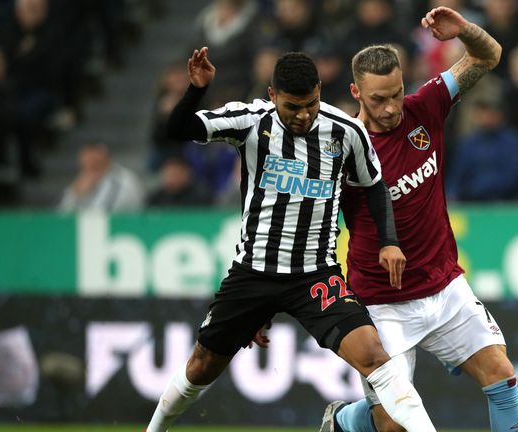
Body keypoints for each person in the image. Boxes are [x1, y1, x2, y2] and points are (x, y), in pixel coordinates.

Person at [145, 48, 439, 432]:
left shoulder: (346, 131)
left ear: (320, 90)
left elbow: (374, 185)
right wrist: (196, 90)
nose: (303, 115)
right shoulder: (250, 121)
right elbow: (178, 129)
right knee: (202, 365)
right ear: (271, 95)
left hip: (315, 275)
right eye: (292, 106)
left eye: (311, 103)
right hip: (254, 273)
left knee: (373, 355)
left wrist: (389, 241)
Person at [320, 6, 518, 432]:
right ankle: (346, 420)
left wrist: (465, 31)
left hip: (444, 286)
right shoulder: (342, 150)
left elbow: (488, 56)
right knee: (393, 426)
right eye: (378, 99)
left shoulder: (426, 106)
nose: (390, 108)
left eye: (396, 94)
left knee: (502, 374)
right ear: (356, 92)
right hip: (382, 302)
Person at [57, 142, 145, 212]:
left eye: (94, 162)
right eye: (85, 163)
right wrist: (76, 195)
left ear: (105, 159)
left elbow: (105, 213)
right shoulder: (82, 180)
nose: (89, 166)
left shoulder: (123, 180)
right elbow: (62, 214)